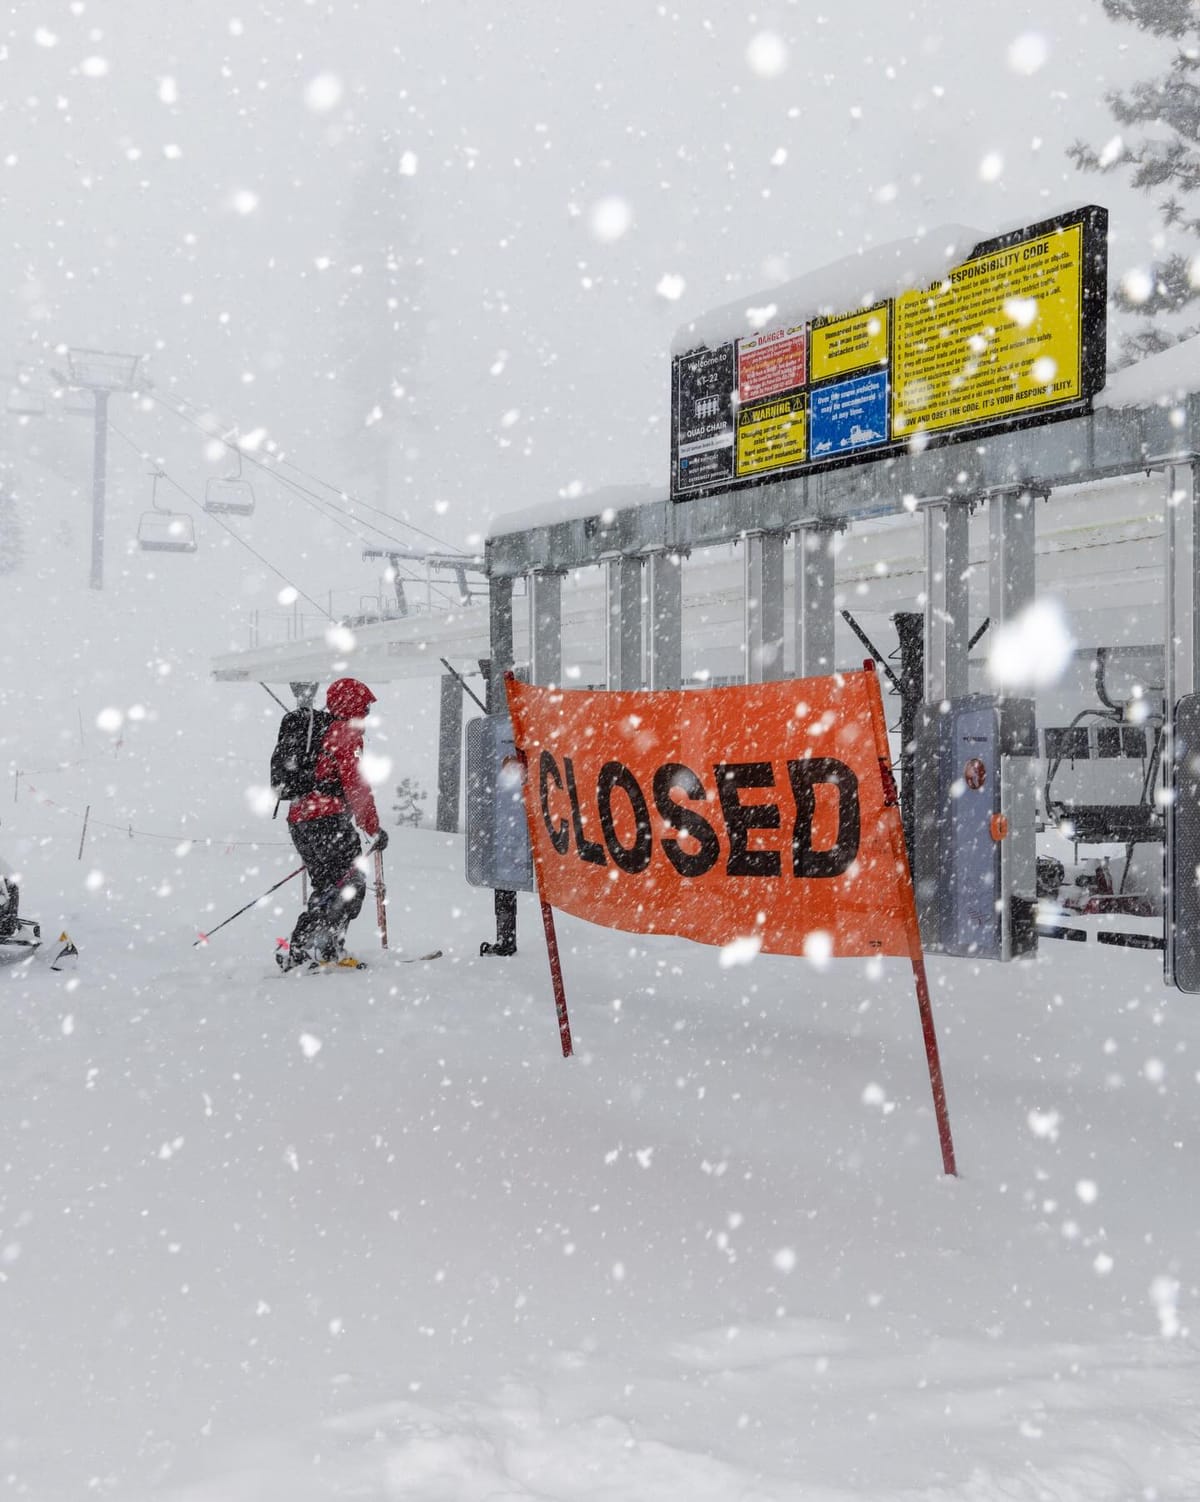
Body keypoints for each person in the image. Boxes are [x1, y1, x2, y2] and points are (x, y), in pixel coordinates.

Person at [277, 676, 389, 970]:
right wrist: (373, 828)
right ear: (353, 706)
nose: (367, 714)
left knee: (329, 885)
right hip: (327, 821)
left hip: (300, 820)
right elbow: (357, 785)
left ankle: (317, 948)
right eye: (364, 707)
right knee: (349, 884)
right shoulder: (345, 733)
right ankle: (310, 947)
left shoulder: (322, 731)